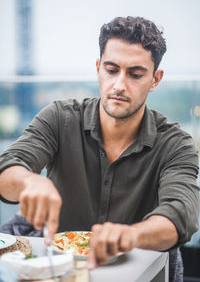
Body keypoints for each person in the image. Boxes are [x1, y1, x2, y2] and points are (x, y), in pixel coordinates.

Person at [0, 16, 199, 279]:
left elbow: (181, 214)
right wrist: (29, 182)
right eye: (111, 69)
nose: (119, 85)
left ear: (155, 79)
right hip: (56, 265)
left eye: (135, 75)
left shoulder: (176, 144)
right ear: (98, 68)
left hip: (134, 270)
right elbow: (8, 167)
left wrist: (130, 235)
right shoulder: (59, 117)